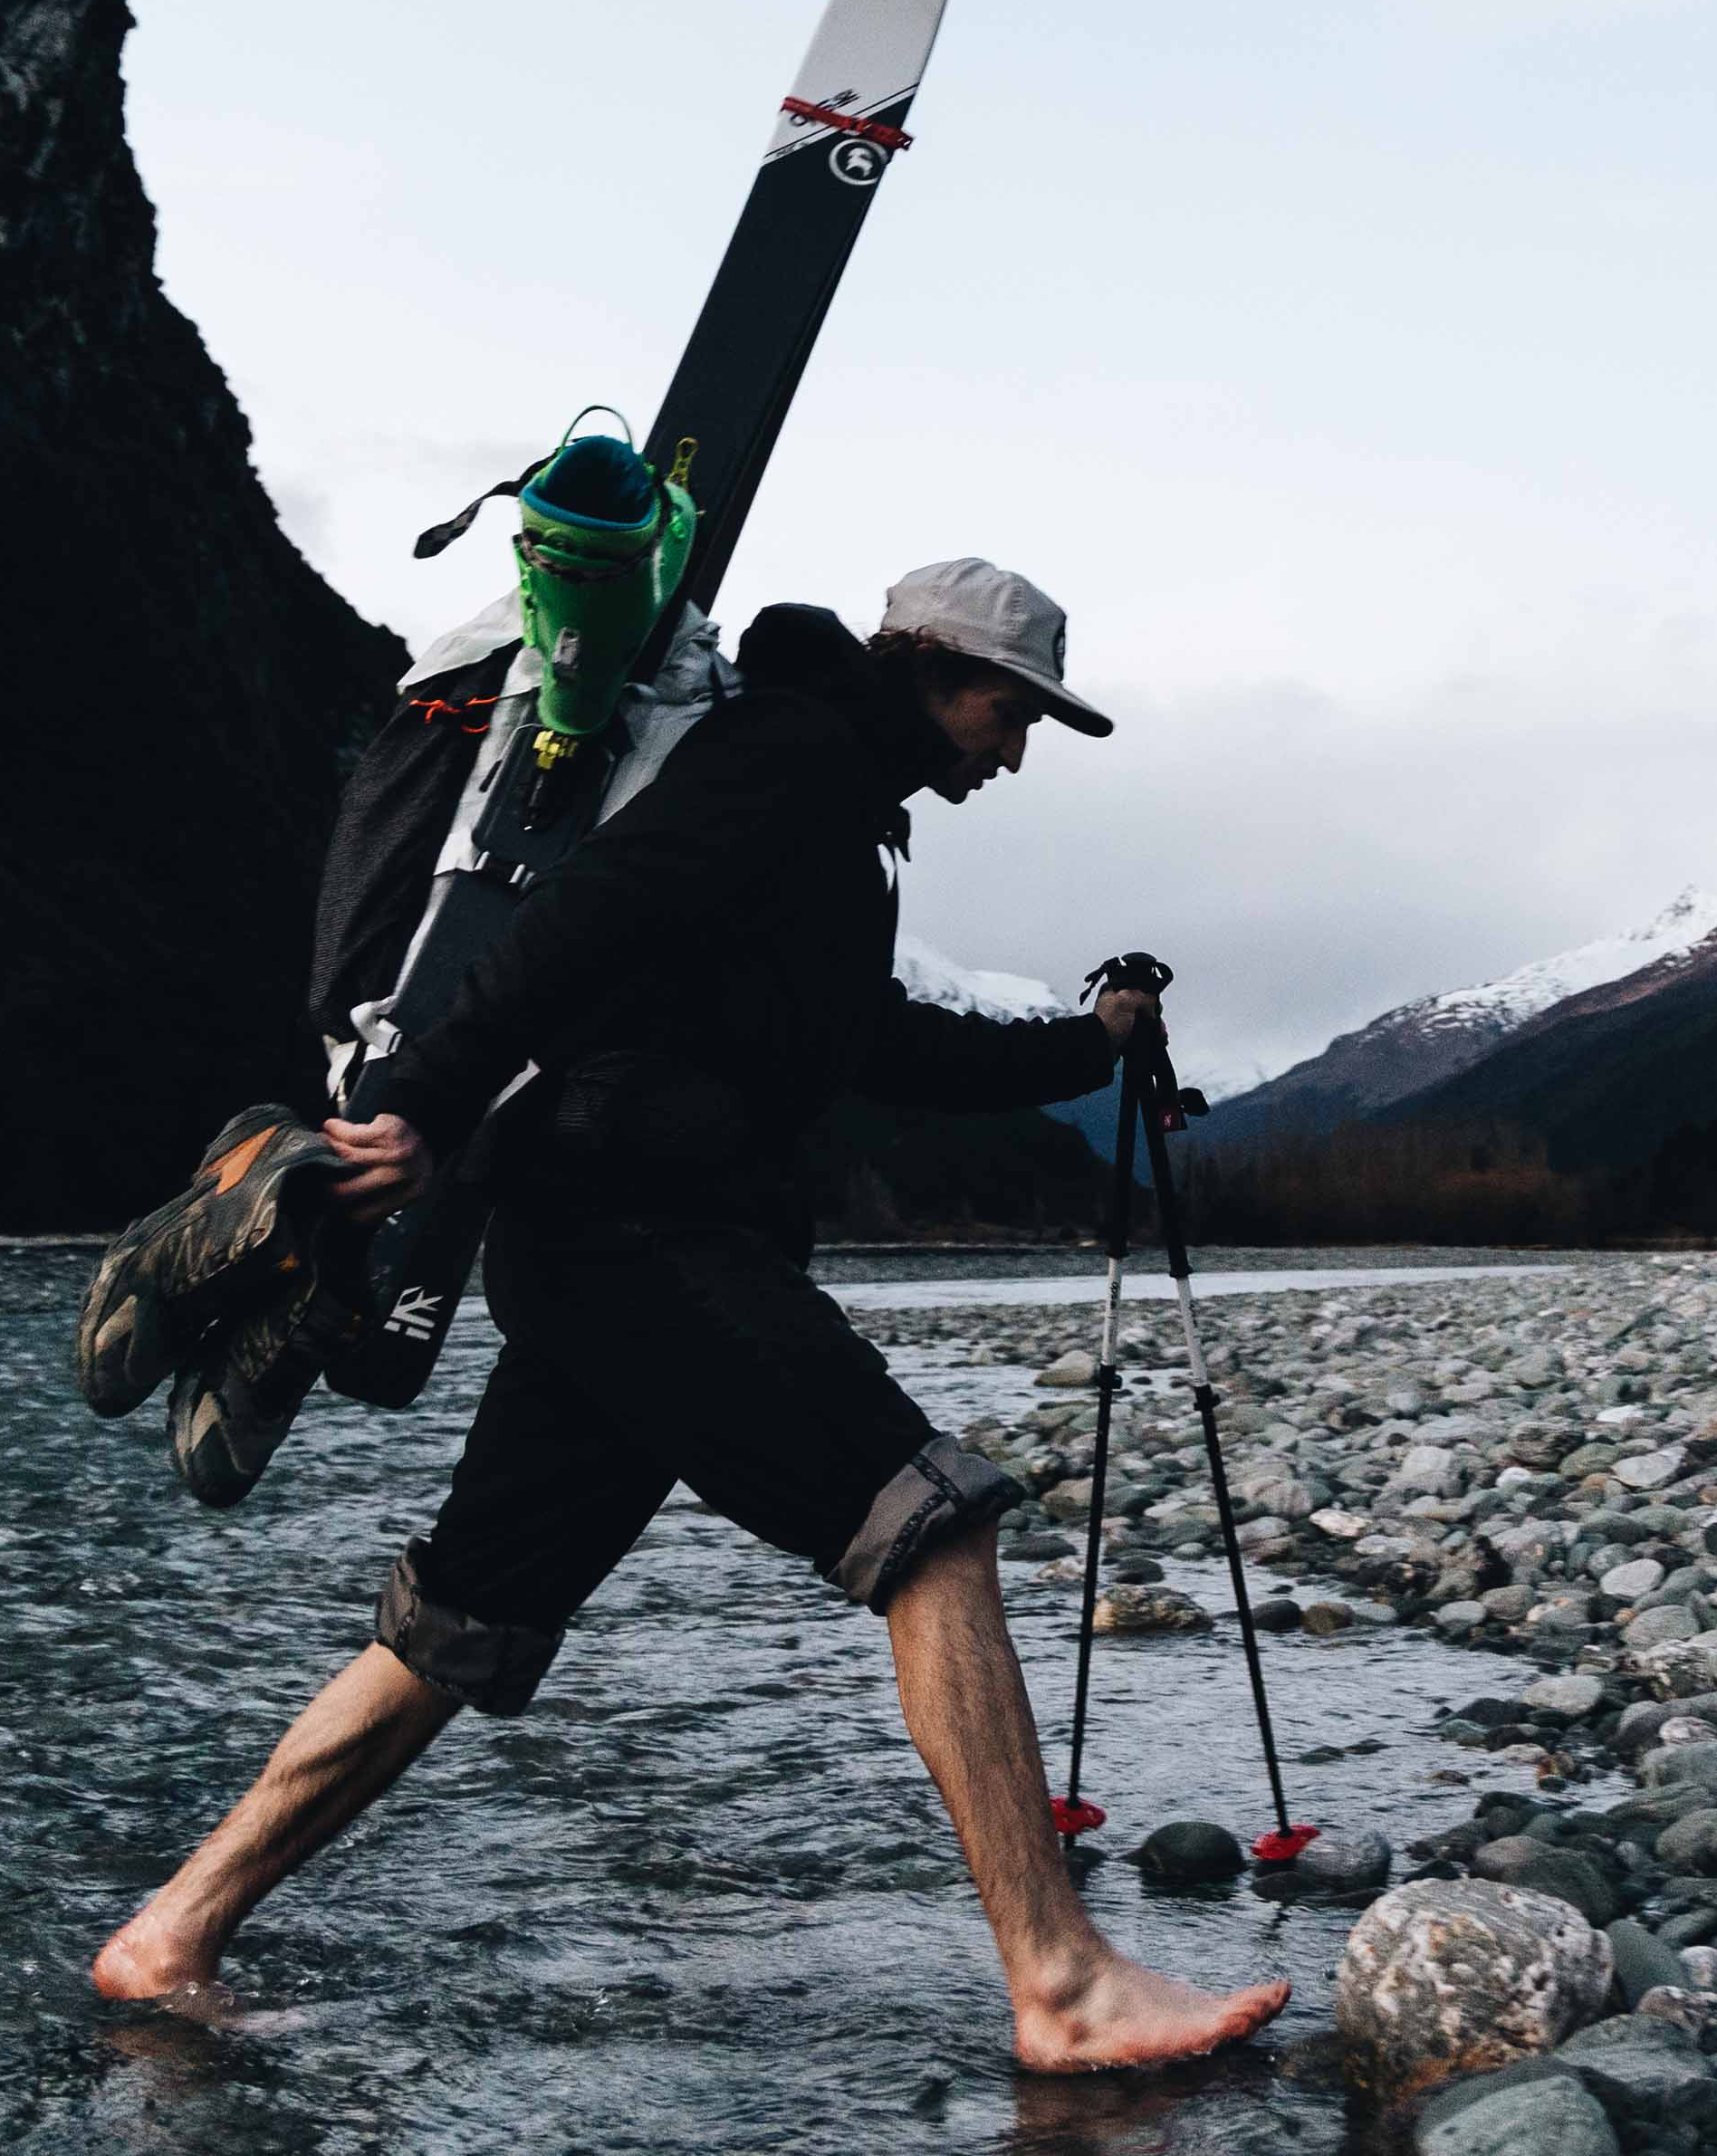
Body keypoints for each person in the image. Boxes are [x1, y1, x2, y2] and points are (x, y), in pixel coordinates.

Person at [91, 560, 1291, 2072]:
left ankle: (173, 1932)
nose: (1016, 746)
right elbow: (587, 914)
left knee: (460, 1625)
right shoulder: (788, 758)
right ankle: (1059, 1981)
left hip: (611, 1246)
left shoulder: (840, 810)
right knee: (937, 1524)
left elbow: (875, 1044)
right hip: (635, 1234)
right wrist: (417, 1102)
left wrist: (1087, 1049)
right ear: (926, 663)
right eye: (1009, 707)